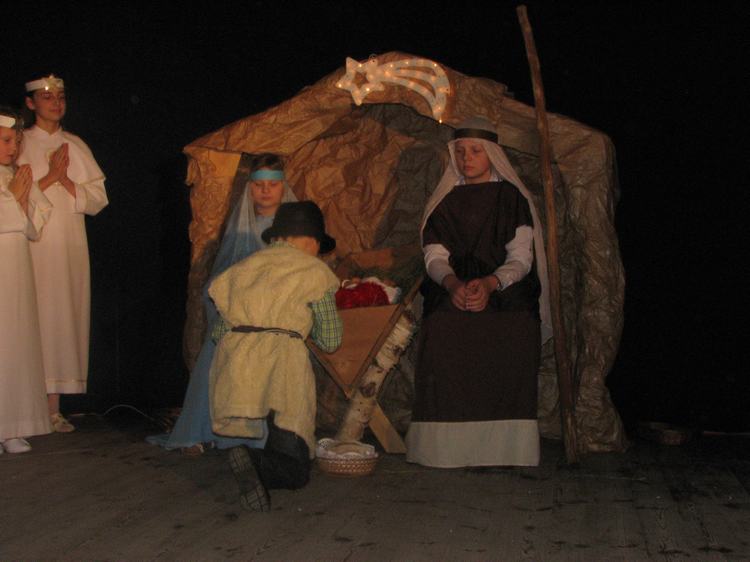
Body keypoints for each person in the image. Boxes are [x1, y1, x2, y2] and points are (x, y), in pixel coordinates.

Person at [406, 117, 552, 468]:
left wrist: (490, 283)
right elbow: (434, 256)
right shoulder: (444, 200)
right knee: (442, 324)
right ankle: (444, 450)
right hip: (454, 286)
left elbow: (521, 258)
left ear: (491, 154)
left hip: (503, 288)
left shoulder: (511, 198)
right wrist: (452, 284)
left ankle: (505, 449)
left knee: (517, 324)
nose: (466, 158)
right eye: (460, 152)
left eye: (475, 151)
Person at [147, 153, 296, 454]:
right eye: (259, 184)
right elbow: (222, 278)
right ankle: (209, 431)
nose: (265, 191)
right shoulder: (241, 229)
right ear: (250, 187)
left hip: (279, 313)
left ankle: (258, 434)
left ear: (283, 186)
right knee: (221, 343)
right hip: (242, 312)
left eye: (272, 184)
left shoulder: (295, 227)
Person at [208, 201, 341, 512]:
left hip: (239, 360)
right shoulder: (315, 272)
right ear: (312, 241)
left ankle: (257, 464)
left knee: (270, 423)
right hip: (283, 364)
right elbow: (331, 340)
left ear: (278, 237)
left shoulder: (242, 269)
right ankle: (257, 462)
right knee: (296, 463)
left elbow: (218, 333)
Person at [17, 74, 109, 433]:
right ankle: (22, 408)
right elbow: (12, 195)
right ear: (31, 103)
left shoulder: (74, 144)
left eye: (60, 96)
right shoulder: (19, 143)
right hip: (32, 245)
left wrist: (66, 179)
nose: (56, 102)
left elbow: (98, 198)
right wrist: (51, 177)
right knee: (31, 316)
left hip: (68, 245)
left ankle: (52, 408)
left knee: (60, 317)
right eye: (47, 97)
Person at [0, 108, 52, 453]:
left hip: (16, 267)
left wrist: (20, 197)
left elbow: (36, 218)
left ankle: (14, 425)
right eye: (6, 141)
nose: (13, 148)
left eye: (15, 142)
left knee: (16, 339)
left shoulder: (15, 174)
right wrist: (15, 199)